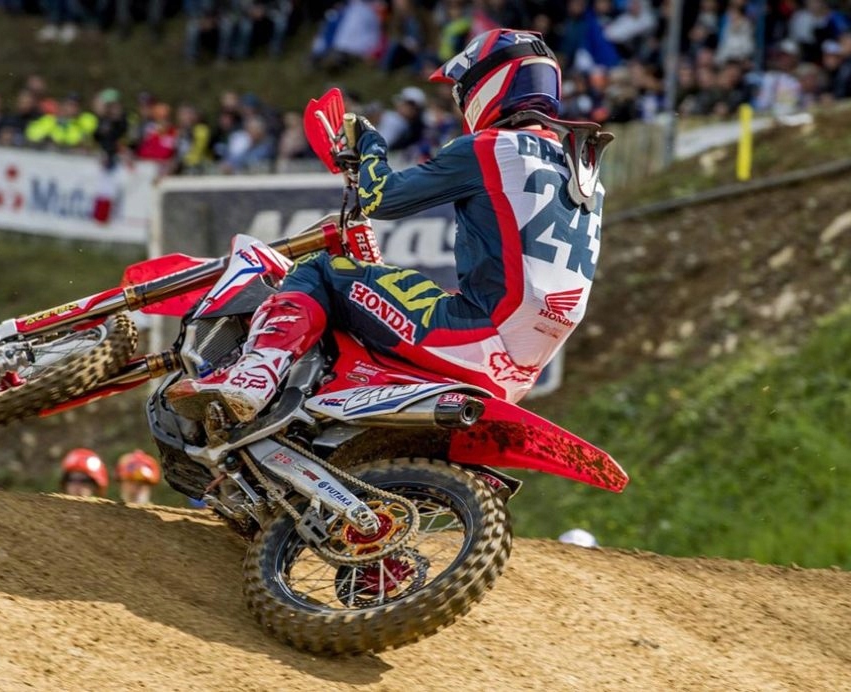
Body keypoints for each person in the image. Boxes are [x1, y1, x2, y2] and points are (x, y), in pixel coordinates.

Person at [168, 28, 611, 428]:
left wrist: (370, 144)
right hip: (519, 372)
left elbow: (381, 198)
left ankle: (254, 377)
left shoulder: (493, 147)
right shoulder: (581, 173)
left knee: (319, 270)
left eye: (462, 89)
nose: (460, 102)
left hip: (473, 333)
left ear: (490, 84)